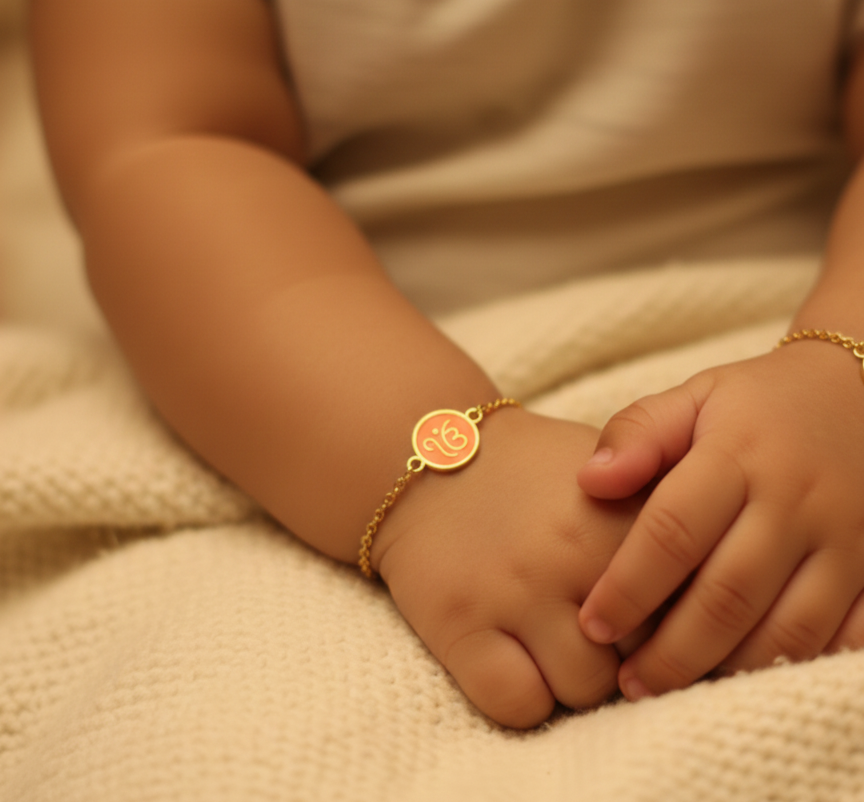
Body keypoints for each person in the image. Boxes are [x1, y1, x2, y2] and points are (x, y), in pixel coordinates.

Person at [28, 0, 864, 729]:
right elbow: (161, 151)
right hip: (311, 385)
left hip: (803, 336)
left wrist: (842, 376)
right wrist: (444, 480)